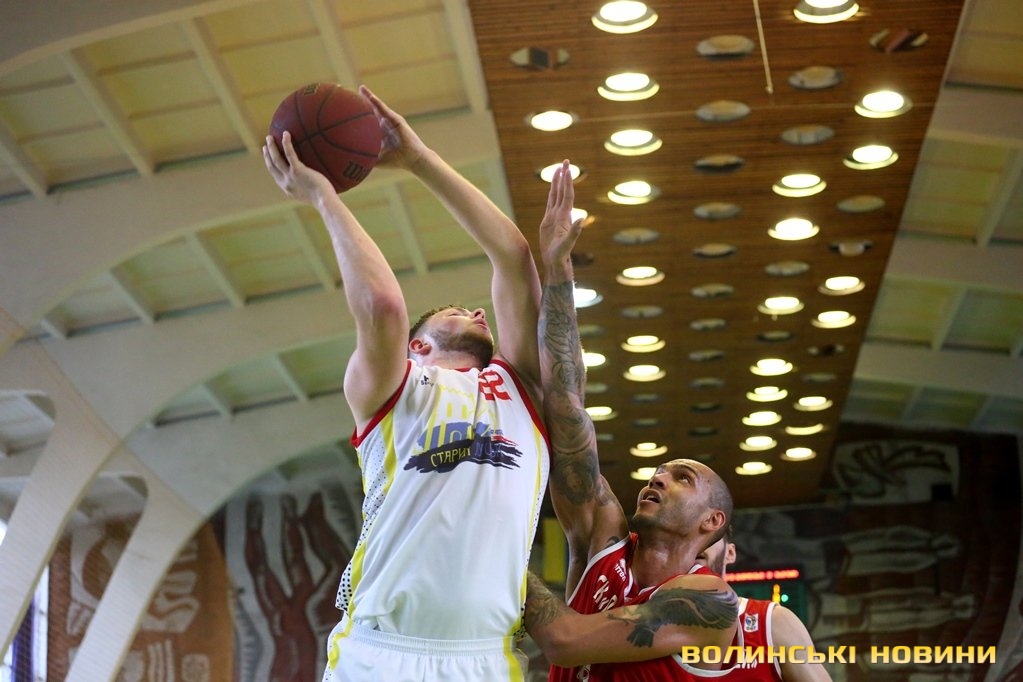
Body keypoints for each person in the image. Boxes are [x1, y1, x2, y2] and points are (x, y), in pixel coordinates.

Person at [263, 85, 550, 682]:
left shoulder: (519, 387)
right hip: (381, 651)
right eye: (455, 311)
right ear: (417, 346)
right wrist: (322, 196)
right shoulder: (393, 388)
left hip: (486, 658)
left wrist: (419, 158)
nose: (478, 311)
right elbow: (384, 306)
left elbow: (515, 257)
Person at [523, 161, 738, 680]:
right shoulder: (604, 534)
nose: (657, 477)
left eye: (681, 478)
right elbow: (566, 406)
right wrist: (557, 269)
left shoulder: (709, 601)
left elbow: (565, 641)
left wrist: (489, 549)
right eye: (660, 471)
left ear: (712, 522)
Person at [696, 532, 832, 681]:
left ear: (730, 553)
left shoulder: (775, 622)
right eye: (683, 536)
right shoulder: (673, 630)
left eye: (704, 534)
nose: (693, 543)